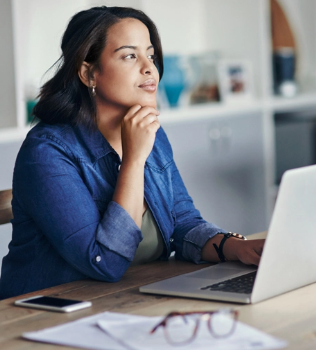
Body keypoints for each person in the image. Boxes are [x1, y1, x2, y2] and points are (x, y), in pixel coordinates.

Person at [0, 6, 264, 300]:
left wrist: (235, 247)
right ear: (89, 73)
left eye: (150, 55)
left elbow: (184, 222)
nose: (149, 67)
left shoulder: (149, 131)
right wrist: (134, 161)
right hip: (42, 315)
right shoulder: (47, 152)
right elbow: (104, 262)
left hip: (132, 298)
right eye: (129, 55)